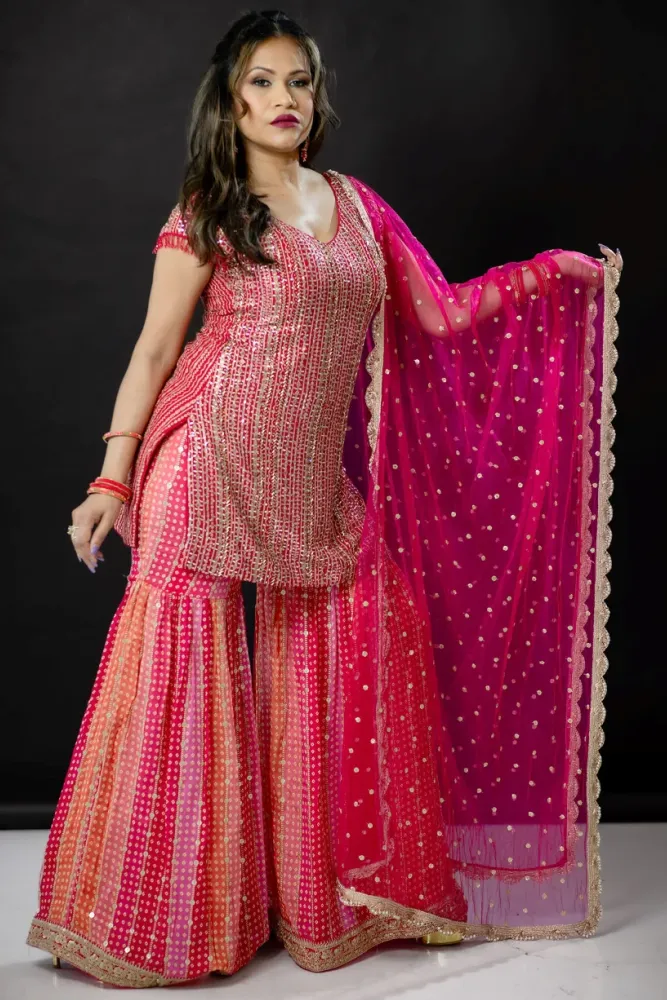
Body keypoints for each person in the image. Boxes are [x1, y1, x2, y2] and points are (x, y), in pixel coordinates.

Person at [26, 8, 622, 989]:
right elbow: (153, 350)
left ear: (318, 95)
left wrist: (540, 281)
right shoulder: (208, 207)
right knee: (190, 683)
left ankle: (320, 907)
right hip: (206, 459)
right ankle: (160, 923)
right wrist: (111, 477)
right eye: (261, 81)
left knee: (339, 662)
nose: (283, 100)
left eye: (298, 81)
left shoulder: (356, 206)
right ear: (229, 98)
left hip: (305, 482)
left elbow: (440, 309)